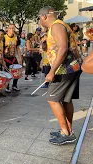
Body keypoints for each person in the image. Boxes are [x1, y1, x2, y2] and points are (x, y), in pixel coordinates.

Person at [38, 6, 82, 145]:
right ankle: (67, 130)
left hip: (64, 70)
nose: (40, 20)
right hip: (71, 68)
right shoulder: (60, 26)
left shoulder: (56, 26)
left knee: (52, 99)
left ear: (44, 16)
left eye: (39, 18)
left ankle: (67, 132)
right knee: (66, 100)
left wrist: (51, 72)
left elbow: (63, 48)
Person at [3, 24, 23, 92]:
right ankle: (7, 86)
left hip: (13, 57)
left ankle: (14, 85)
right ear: (7, 29)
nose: (12, 30)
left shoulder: (16, 37)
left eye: (13, 28)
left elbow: (17, 48)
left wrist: (20, 58)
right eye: (10, 28)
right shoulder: (4, 37)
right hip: (6, 58)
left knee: (17, 71)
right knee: (7, 73)